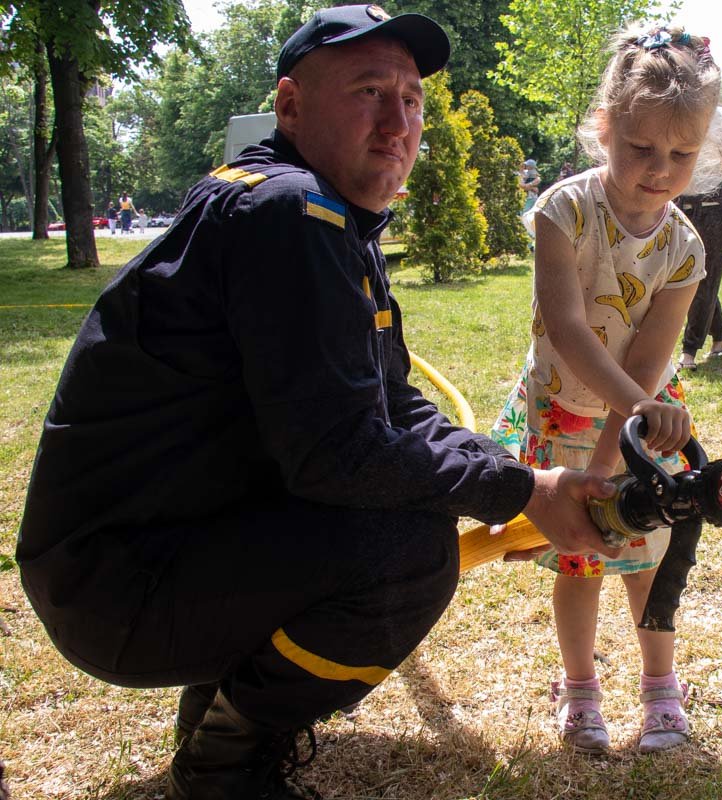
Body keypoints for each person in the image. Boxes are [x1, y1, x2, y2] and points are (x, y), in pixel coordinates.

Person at [16, 7, 619, 799]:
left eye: (410, 100)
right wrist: (520, 492)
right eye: (368, 91)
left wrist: (524, 482)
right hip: (120, 586)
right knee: (408, 550)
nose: (396, 121)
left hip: (131, 560)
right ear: (291, 107)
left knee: (399, 520)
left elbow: (393, 407)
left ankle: (218, 714)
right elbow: (340, 450)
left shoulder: (318, 217)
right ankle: (225, 765)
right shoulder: (286, 214)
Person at [489, 22, 722, 755]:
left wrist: (621, 445)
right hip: (568, 408)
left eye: (682, 154)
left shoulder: (685, 247)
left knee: (648, 556)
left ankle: (661, 690)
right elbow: (567, 328)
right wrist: (591, 465)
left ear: (705, 151)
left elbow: (655, 356)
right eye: (641, 148)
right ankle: (581, 688)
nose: (659, 169)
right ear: (605, 128)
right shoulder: (564, 211)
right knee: (582, 561)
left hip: (642, 420)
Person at [677, 112, 722, 370]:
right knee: (690, 277)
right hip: (681, 205)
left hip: (714, 208)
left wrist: (713, 154)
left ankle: (689, 350)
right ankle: (720, 337)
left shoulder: (719, 115)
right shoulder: (675, 107)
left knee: (702, 279)